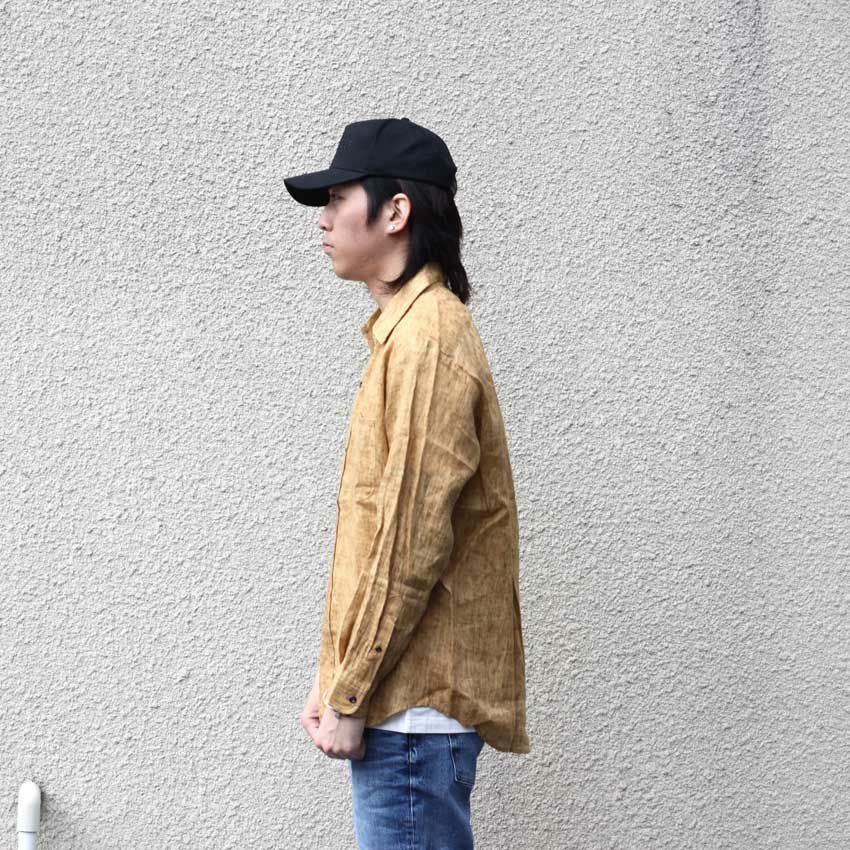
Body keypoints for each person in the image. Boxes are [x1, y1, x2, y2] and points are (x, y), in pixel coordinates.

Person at [285, 117, 529, 850]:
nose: (324, 219)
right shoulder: (406, 334)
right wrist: (336, 675)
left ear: (396, 212)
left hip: (411, 725)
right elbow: (380, 532)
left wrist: (351, 689)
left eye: (339, 198)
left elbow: (410, 540)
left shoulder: (427, 341)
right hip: (401, 715)